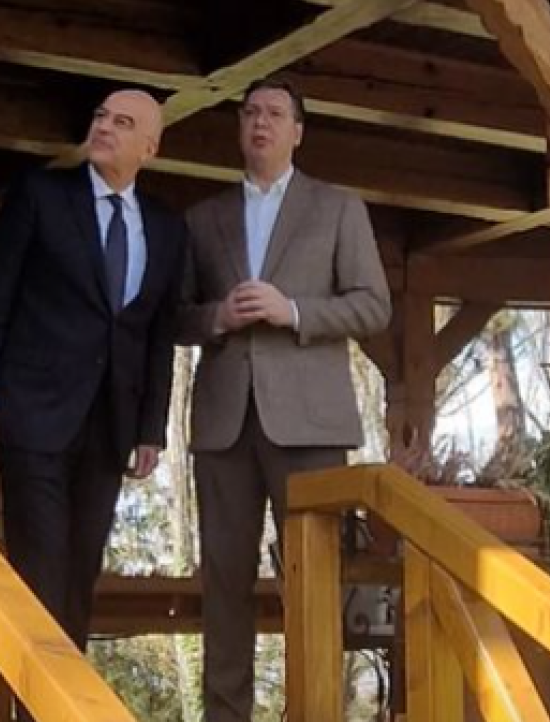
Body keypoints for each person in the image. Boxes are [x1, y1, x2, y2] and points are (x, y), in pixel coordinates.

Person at [179, 77, 391, 721]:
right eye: (250, 112)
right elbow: (174, 316)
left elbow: (373, 306)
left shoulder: (338, 207)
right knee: (224, 583)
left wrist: (293, 309)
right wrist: (217, 317)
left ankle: (318, 711)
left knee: (317, 580)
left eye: (275, 112)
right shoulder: (202, 218)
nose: (260, 121)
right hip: (224, 425)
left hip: (311, 424)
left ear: (298, 131)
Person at [0, 89, 184, 652]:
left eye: (123, 122)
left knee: (79, 574)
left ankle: (63, 693)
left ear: (149, 147)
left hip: (110, 426)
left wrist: (151, 428)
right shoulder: (41, 195)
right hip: (32, 413)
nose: (104, 127)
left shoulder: (166, 226)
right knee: (40, 568)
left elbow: (159, 336)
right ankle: (35, 694)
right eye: (101, 117)